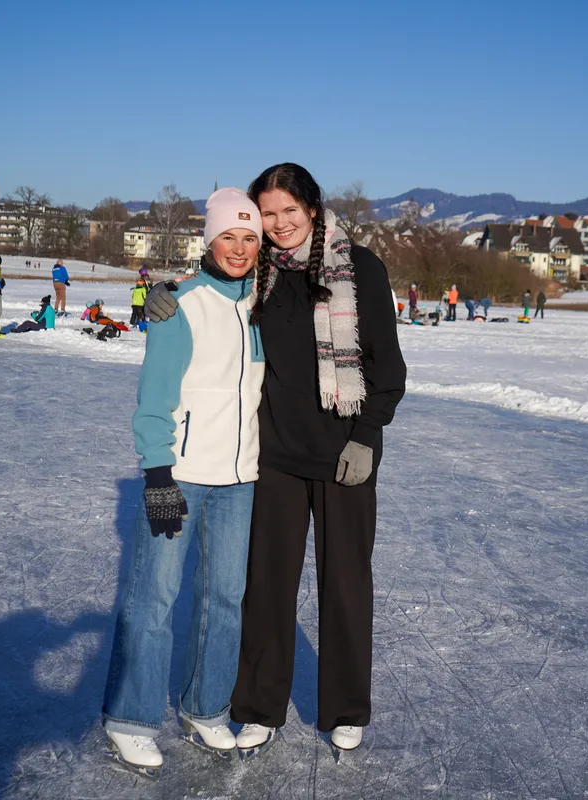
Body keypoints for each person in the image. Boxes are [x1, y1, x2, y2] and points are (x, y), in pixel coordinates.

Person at [144, 164, 406, 754]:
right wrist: (161, 295)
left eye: (290, 210)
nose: (280, 224)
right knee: (266, 587)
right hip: (277, 456)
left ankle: (346, 708)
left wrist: (366, 435)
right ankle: (259, 706)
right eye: (269, 213)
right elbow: (209, 285)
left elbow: (387, 368)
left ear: (313, 208)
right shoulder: (259, 271)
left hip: (346, 456)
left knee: (344, 584)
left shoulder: (358, 267)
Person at [101, 188, 266, 772]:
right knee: (156, 595)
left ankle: (206, 708)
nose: (240, 248)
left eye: (250, 237)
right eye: (229, 236)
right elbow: (154, 401)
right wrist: (157, 474)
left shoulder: (261, 308)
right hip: (184, 475)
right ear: (210, 240)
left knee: (225, 599)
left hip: (240, 479)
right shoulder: (182, 305)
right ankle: (131, 717)